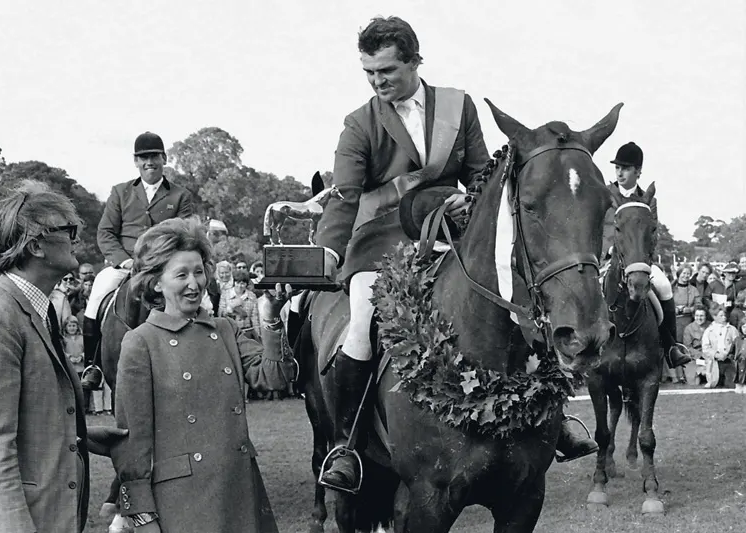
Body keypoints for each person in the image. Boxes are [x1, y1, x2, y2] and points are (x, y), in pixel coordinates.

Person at [314, 16, 597, 492]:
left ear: (415, 62)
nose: (378, 81)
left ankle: (556, 423)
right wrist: (328, 249)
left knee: (519, 303)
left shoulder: (457, 105)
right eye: (369, 72)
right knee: (361, 323)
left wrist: (475, 201)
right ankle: (346, 443)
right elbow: (345, 197)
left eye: (387, 70)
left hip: (452, 234)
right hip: (381, 244)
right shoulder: (359, 123)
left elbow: (481, 173)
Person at [0, 180, 128, 533]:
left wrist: (79, 435)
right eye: (68, 229)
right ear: (36, 245)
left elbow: (22, 412)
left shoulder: (29, 308)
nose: (76, 237)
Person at [111, 217, 294, 533]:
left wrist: (272, 317)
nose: (194, 283)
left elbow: (276, 377)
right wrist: (141, 517)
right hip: (181, 504)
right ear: (156, 282)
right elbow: (132, 443)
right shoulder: (141, 341)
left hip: (239, 492)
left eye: (198, 271)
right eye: (181, 274)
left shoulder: (225, 330)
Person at [82, 132, 194, 367]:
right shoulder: (120, 192)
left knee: (202, 303)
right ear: (136, 161)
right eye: (143, 157)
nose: (149, 162)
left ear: (163, 158)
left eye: (153, 156)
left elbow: (186, 235)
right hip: (124, 266)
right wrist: (125, 261)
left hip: (163, 268)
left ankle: (200, 358)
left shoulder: (180, 195)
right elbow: (105, 233)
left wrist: (163, 263)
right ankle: (93, 365)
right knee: (96, 297)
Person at [601, 142, 692, 373]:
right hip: (607, 259)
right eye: (617, 168)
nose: (620, 173)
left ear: (638, 171)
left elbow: (651, 234)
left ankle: (672, 346)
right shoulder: (605, 194)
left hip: (638, 261)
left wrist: (640, 256)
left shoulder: (648, 199)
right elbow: (596, 228)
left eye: (626, 168)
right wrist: (608, 251)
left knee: (663, 286)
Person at [702, 303, 739, 389]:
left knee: (731, 384)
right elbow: (705, 348)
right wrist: (715, 355)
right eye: (721, 315)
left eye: (724, 315)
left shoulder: (732, 329)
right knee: (715, 383)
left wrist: (729, 354)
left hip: (729, 361)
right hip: (715, 362)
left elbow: (738, 345)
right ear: (714, 317)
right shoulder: (709, 331)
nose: (724, 317)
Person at [222, 270, 262, 340]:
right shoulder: (226, 294)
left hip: (246, 332)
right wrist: (230, 308)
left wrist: (258, 335)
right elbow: (221, 314)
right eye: (237, 283)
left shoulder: (252, 296)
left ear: (246, 284)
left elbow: (255, 318)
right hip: (230, 332)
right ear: (234, 282)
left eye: (242, 283)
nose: (239, 286)